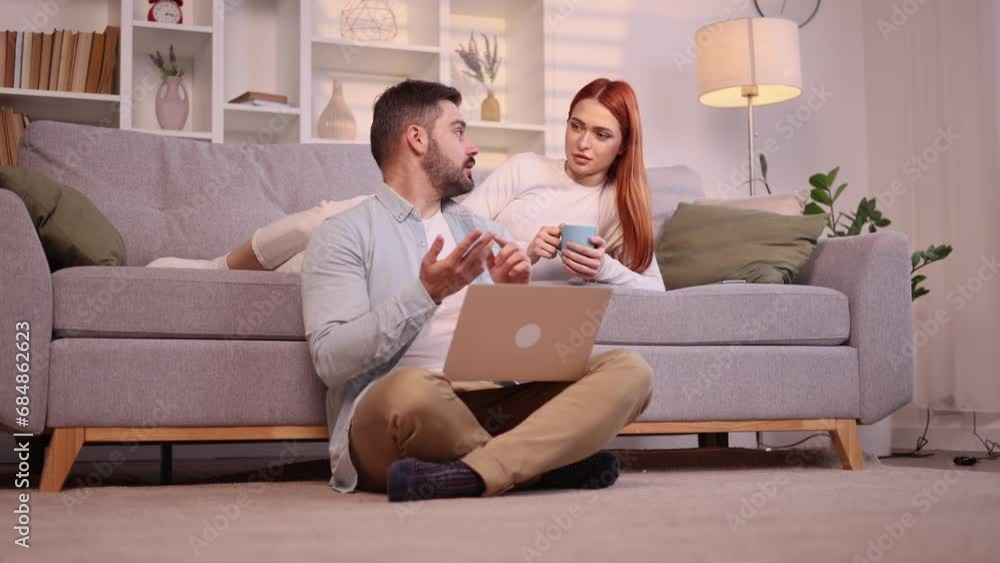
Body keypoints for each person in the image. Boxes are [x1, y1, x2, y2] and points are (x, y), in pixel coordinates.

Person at [302, 79, 653, 502]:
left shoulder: (485, 232)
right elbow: (331, 361)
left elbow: (508, 370)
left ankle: (476, 471)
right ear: (417, 139)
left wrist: (508, 300)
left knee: (630, 370)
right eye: (459, 131)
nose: (473, 148)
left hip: (486, 405)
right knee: (411, 389)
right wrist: (426, 293)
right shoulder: (344, 233)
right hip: (398, 411)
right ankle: (538, 464)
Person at [461, 78, 664, 291]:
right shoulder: (524, 167)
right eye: (576, 126)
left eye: (601, 135)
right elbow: (452, 231)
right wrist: (526, 252)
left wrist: (604, 268)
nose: (583, 144)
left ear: (623, 145)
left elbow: (656, 288)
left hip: (557, 309)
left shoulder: (618, 204)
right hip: (489, 298)